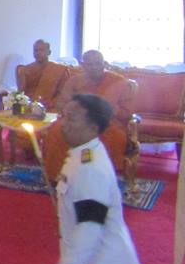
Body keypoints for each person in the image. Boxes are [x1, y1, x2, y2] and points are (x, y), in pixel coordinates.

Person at [47, 93, 183, 264]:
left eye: (72, 118)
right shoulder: (82, 154)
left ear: (93, 127)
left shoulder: (90, 167)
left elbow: (90, 226)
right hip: (96, 262)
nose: (63, 123)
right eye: (64, 115)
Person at [44, 49, 136, 180]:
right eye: (90, 64)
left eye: (98, 63)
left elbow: (126, 112)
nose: (94, 67)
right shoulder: (74, 81)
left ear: (104, 64)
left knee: (113, 136)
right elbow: (61, 103)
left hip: (106, 122)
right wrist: (72, 111)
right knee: (56, 129)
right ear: (83, 65)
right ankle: (59, 175)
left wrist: (104, 107)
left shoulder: (119, 82)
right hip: (76, 121)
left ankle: (100, 176)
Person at [16, 39, 70, 105]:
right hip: (29, 105)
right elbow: (21, 93)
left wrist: (51, 104)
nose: (38, 53)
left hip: (51, 105)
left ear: (49, 52)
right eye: (36, 50)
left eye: (41, 50)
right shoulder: (25, 70)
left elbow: (63, 93)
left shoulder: (60, 70)